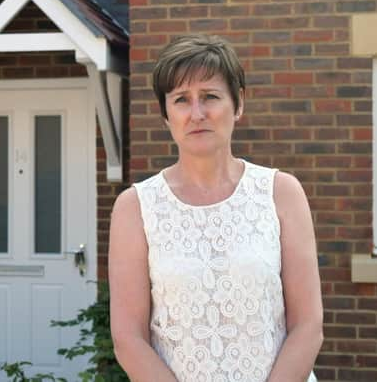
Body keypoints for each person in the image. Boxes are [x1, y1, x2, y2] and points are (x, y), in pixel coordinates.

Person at [108, 34, 323, 382]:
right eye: (181, 99)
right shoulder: (135, 208)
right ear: (166, 115)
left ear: (238, 105)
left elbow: (309, 325)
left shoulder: (281, 193)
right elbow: (129, 339)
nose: (197, 113)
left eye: (210, 96)